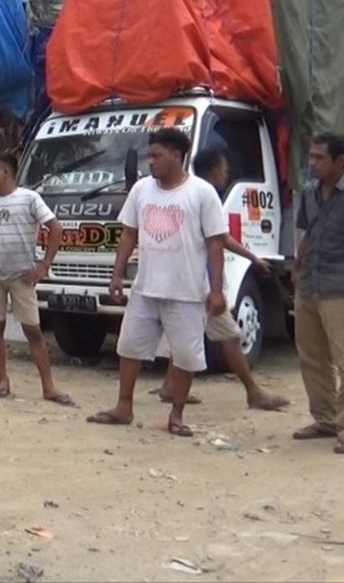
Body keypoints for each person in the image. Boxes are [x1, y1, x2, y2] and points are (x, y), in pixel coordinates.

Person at [88, 128, 227, 437]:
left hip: (187, 291)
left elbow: (215, 245)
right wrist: (117, 275)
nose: (150, 161)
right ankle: (123, 407)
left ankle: (176, 415)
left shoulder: (202, 193)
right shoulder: (141, 190)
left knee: (186, 355)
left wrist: (216, 290)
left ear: (176, 156)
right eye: (149, 155)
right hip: (145, 288)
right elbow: (128, 235)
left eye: (157, 155)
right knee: (129, 348)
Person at [151, 150, 289, 410]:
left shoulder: (184, 193)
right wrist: (252, 258)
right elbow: (221, 240)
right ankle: (253, 391)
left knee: (183, 337)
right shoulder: (206, 195)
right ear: (215, 170)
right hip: (202, 284)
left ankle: (171, 386)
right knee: (231, 336)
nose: (226, 174)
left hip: (184, 280)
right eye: (224, 169)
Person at [0, 152, 73, 406]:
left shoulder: (30, 199)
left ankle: (49, 386)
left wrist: (44, 265)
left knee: (33, 330)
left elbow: (55, 228)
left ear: (6, 173)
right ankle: (3, 380)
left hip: (23, 276)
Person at [291, 133, 344, 453]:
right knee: (312, 357)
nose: (312, 163)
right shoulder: (310, 195)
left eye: (319, 158)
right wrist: (297, 269)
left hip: (339, 287)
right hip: (310, 284)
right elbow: (306, 234)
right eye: (310, 156)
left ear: (340, 161)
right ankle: (325, 419)